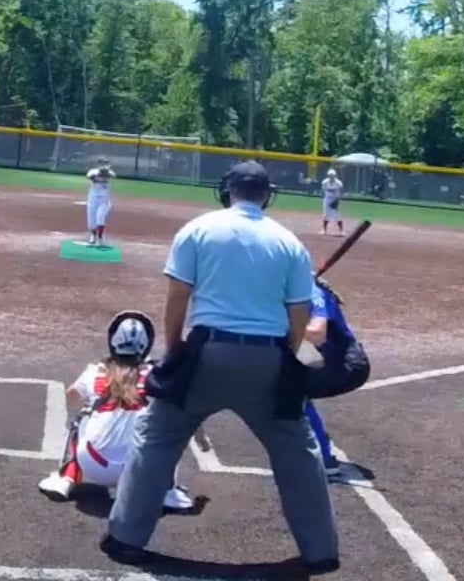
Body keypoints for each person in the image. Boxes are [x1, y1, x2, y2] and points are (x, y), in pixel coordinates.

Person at [102, 161, 338, 573]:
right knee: (298, 451)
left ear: (227, 190)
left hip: (206, 354)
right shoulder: (289, 243)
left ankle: (125, 537)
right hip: (268, 358)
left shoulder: (198, 229)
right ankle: (321, 551)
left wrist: (176, 352)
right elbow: (299, 315)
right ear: (267, 194)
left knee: (157, 437)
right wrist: (284, 354)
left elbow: (178, 300)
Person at [38, 311, 194, 512]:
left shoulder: (95, 371)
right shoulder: (155, 374)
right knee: (168, 428)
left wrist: (97, 402)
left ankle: (66, 479)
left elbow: (71, 397)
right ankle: (167, 490)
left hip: (94, 464)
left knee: (79, 420)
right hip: (138, 471)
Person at [302, 275, 371, 481]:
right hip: (330, 360)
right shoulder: (301, 287)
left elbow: (316, 333)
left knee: (291, 390)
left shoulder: (312, 292)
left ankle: (323, 459)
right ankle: (313, 438)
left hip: (345, 366)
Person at [85, 159, 114, 246]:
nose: (104, 165)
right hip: (92, 199)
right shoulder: (92, 171)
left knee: (100, 217)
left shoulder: (110, 172)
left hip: (104, 200)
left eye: (106, 163)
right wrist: (98, 174)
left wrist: (105, 172)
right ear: (98, 164)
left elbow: (112, 175)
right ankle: (93, 235)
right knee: (91, 222)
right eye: (102, 163)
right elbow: (89, 176)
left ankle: (100, 238)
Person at [319, 168, 345, 236]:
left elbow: (342, 192)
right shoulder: (325, 182)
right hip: (327, 200)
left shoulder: (338, 183)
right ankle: (324, 230)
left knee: (338, 215)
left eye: (332, 175)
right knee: (326, 215)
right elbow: (323, 191)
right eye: (330, 175)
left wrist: (337, 201)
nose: (331, 177)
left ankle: (341, 231)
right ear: (328, 175)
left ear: (335, 176)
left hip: (335, 199)